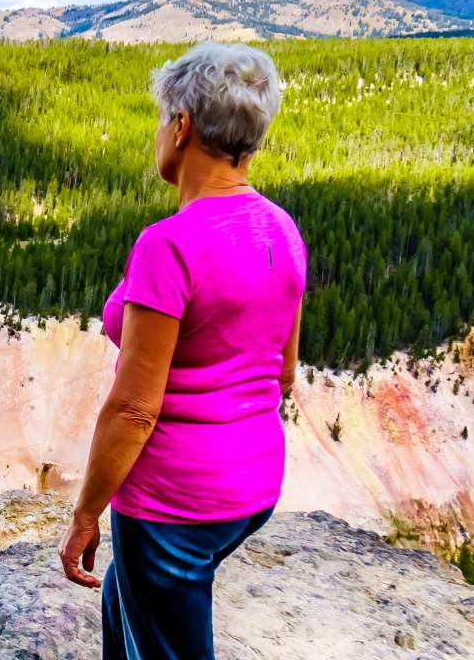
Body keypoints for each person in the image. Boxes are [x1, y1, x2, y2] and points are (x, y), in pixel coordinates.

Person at [57, 42, 306, 659]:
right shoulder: (282, 228)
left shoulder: (169, 245)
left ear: (183, 126)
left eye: (162, 118)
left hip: (176, 503)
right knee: (131, 594)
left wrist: (87, 513)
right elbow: (284, 372)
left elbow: (134, 410)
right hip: (253, 486)